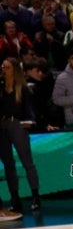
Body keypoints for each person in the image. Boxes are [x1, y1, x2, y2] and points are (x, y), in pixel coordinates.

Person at [0, 56, 40, 213]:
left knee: (27, 162)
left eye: (7, 67)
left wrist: (29, 122)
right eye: (3, 67)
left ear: (14, 70)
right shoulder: (1, 88)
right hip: (2, 126)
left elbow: (29, 110)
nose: (3, 70)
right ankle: (15, 198)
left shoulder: (23, 89)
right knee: (8, 165)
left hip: (17, 124)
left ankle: (35, 196)